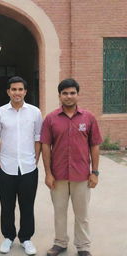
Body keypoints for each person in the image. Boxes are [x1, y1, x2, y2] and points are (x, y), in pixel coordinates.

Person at [40, 78, 102, 256]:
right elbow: (45, 146)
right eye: (65, 93)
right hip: (58, 175)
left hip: (82, 174)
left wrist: (95, 172)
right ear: (59, 95)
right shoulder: (51, 119)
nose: (69, 96)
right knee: (59, 212)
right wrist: (48, 174)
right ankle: (60, 243)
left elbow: (94, 145)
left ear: (78, 95)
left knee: (82, 214)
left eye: (72, 93)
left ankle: (83, 247)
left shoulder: (88, 118)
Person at [0, 76, 43, 255]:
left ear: (25, 91)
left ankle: (26, 238)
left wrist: (35, 160)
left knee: (27, 205)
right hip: (6, 166)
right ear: (8, 92)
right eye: (13, 89)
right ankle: (8, 237)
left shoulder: (35, 112)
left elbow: (38, 138)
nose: (17, 93)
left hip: (29, 167)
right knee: (7, 206)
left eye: (20, 89)